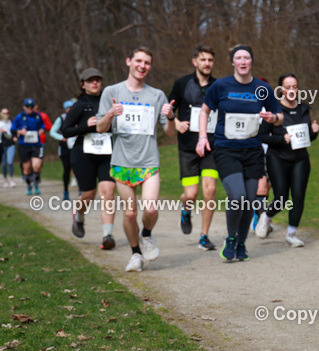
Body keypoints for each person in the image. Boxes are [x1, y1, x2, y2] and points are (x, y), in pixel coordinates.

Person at [196, 45, 282, 262]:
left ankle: (241, 242)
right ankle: (231, 237)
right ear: (233, 62)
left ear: (251, 61)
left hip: (252, 151)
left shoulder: (262, 88)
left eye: (247, 58)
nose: (243, 61)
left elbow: (279, 115)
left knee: (250, 201)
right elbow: (205, 111)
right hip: (227, 150)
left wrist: (274, 119)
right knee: (238, 196)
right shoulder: (221, 85)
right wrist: (203, 137)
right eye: (238, 58)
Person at [97, 47, 176, 271]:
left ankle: (147, 234)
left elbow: (169, 132)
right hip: (122, 162)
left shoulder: (157, 95)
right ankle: (135, 254)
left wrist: (171, 116)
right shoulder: (112, 91)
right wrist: (111, 114)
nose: (142, 66)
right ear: (128, 62)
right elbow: (101, 128)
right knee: (130, 213)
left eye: (147, 63)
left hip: (149, 162)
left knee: (150, 210)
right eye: (139, 61)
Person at [168, 44, 219, 251]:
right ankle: (185, 209)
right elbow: (168, 109)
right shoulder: (182, 84)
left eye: (210, 60)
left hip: (212, 147)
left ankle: (204, 235)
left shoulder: (219, 85)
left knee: (210, 191)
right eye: (203, 59)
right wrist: (176, 121)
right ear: (195, 62)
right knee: (191, 195)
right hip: (188, 147)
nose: (207, 63)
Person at [260, 73, 319, 246]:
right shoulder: (274, 110)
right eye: (288, 87)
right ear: (281, 90)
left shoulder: (304, 109)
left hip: (300, 158)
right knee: (281, 198)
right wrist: (281, 139)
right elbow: (262, 136)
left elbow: (307, 137)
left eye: (294, 87)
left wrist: (315, 131)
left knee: (299, 197)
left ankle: (291, 234)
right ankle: (267, 216)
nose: (292, 90)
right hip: (277, 157)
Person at [62, 68, 117, 249]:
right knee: (88, 194)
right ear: (83, 84)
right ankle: (79, 216)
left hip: (107, 152)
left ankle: (107, 235)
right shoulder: (79, 105)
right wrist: (85, 125)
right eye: (90, 80)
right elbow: (66, 130)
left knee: (108, 192)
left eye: (97, 80)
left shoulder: (109, 101)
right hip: (83, 153)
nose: (95, 83)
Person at [13, 98, 46, 195]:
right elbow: (13, 129)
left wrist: (41, 130)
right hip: (24, 145)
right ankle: (29, 185)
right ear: (24, 107)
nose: (30, 109)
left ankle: (36, 182)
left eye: (32, 107)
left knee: (37, 165)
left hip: (36, 144)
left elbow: (42, 126)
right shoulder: (19, 117)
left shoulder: (37, 116)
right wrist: (19, 132)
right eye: (28, 107)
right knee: (26, 168)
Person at [50, 99, 77, 201]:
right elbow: (52, 132)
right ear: (65, 109)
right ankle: (66, 191)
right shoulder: (61, 119)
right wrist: (61, 138)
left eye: (72, 108)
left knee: (78, 168)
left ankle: (81, 191)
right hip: (64, 148)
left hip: (76, 147)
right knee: (66, 169)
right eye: (68, 108)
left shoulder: (78, 117)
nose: (70, 110)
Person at [0, 108, 15, 187]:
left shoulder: (11, 123)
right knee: (4, 164)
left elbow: (13, 133)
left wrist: (14, 136)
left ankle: (11, 179)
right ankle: (5, 180)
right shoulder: (0, 123)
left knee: (10, 162)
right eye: (4, 113)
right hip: (2, 146)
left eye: (7, 113)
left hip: (10, 145)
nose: (6, 115)